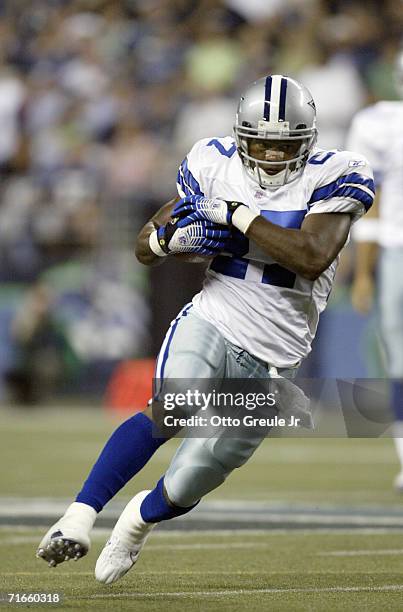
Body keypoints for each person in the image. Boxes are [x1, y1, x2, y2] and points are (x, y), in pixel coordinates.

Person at [36, 74, 374, 583]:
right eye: (258, 142)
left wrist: (238, 216)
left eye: (283, 146)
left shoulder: (337, 173)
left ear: (307, 143)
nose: (270, 155)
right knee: (175, 404)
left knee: (195, 475)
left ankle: (135, 522)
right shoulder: (212, 161)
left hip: (279, 355)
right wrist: (164, 244)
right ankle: (78, 518)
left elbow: (311, 256)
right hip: (215, 315)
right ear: (240, 135)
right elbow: (147, 241)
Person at [349, 50, 403, 490]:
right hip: (397, 248)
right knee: (399, 355)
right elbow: (373, 196)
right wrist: (364, 272)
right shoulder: (378, 123)